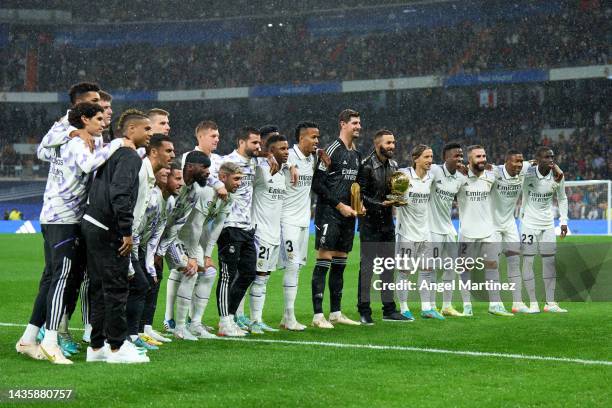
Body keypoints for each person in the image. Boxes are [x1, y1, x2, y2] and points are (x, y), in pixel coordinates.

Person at [16, 102, 125, 365]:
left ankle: (29, 339)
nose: (104, 122)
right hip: (61, 219)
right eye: (98, 118)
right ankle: (50, 342)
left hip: (59, 217)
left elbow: (45, 152)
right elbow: (88, 166)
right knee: (61, 278)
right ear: (84, 119)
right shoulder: (75, 142)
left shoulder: (82, 140)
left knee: (52, 278)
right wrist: (118, 144)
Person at [81, 109, 152, 364]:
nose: (150, 134)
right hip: (108, 228)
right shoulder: (129, 156)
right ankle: (116, 347)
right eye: (146, 129)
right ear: (130, 130)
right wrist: (126, 231)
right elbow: (120, 194)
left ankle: (97, 346)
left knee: (100, 287)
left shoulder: (114, 153)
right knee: (116, 287)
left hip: (92, 223)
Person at [177, 161, 242, 339]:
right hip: (180, 235)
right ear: (223, 177)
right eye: (236, 179)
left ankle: (196, 323)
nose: (239, 183)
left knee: (210, 272)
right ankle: (180, 327)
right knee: (192, 272)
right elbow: (197, 224)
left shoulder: (230, 197)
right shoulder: (208, 192)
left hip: (194, 238)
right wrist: (194, 255)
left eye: (240, 179)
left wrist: (206, 255)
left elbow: (216, 227)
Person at [311, 109, 362, 328]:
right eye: (354, 123)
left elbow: (355, 186)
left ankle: (335, 312)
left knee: (340, 264)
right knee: (324, 262)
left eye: (359, 123)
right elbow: (317, 184)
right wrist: (339, 205)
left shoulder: (357, 154)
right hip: (329, 213)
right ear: (343, 124)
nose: (358, 126)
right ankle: (317, 315)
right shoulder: (331, 149)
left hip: (348, 215)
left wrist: (359, 206)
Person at [126, 134, 175, 350]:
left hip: (137, 243)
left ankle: (136, 332)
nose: (172, 155)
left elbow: (156, 231)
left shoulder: (168, 199)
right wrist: (132, 257)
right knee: (135, 285)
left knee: (145, 282)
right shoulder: (141, 175)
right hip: (125, 240)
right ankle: (123, 335)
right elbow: (135, 219)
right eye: (168, 151)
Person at [156, 150, 211, 340]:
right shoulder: (170, 182)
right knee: (147, 279)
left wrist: (193, 256)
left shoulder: (195, 190)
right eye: (204, 168)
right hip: (152, 233)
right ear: (190, 167)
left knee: (190, 269)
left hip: (169, 236)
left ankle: (179, 326)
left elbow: (182, 222)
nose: (208, 172)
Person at [213, 127, 261, 337]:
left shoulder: (254, 163)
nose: (258, 147)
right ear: (242, 142)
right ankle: (224, 321)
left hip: (247, 227)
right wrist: (217, 185)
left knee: (249, 272)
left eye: (260, 143)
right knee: (227, 275)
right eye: (254, 143)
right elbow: (211, 177)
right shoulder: (226, 161)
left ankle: (230, 317)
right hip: (229, 225)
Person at [357, 129, 408, 324]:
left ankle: (389, 309)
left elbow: (392, 192)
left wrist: (397, 198)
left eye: (393, 143)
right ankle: (364, 310)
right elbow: (359, 196)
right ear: (377, 144)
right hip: (369, 224)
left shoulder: (394, 165)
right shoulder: (367, 166)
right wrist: (381, 205)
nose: (392, 146)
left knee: (388, 268)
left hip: (387, 223)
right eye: (388, 143)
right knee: (367, 269)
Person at [457, 145, 513, 317]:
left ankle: (495, 305)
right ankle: (467, 306)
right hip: (467, 232)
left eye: (484, 156)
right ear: (469, 159)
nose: (482, 159)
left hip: (488, 231)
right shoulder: (460, 176)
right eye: (478, 156)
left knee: (493, 267)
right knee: (465, 269)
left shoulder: (492, 174)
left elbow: (513, 166)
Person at [279, 121, 320, 330]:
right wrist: (289, 164)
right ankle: (289, 316)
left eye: (317, 137)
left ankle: (286, 317)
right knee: (291, 265)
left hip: (304, 222)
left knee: (297, 268)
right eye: (313, 137)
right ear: (301, 138)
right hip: (287, 221)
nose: (316, 141)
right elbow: (272, 154)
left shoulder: (312, 159)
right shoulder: (289, 155)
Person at [248, 135, 290, 334]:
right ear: (272, 151)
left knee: (264, 278)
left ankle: (257, 319)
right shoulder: (261, 171)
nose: (287, 152)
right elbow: (249, 156)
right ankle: (251, 320)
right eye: (282, 149)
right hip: (260, 232)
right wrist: (264, 155)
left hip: (275, 234)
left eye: (287, 148)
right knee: (257, 276)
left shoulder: (284, 174)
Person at [395, 145, 442, 320]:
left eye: (431, 157)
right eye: (426, 157)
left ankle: (426, 308)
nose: (430, 160)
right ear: (416, 159)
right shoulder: (404, 175)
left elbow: (449, 166)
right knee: (404, 272)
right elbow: (394, 198)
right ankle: (403, 308)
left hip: (425, 232)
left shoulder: (431, 176)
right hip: (406, 233)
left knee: (426, 270)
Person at [138, 163, 183, 344]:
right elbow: (139, 230)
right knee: (140, 284)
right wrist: (149, 260)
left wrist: (157, 254)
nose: (181, 183)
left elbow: (161, 230)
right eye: (176, 178)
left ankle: (145, 327)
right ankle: (134, 332)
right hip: (137, 245)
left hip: (151, 246)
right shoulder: (151, 199)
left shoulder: (170, 200)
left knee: (153, 280)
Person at [520, 147, 568, 313]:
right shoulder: (527, 174)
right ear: (538, 159)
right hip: (528, 224)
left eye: (552, 156)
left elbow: (562, 198)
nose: (551, 160)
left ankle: (550, 303)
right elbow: (512, 168)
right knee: (528, 261)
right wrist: (528, 163)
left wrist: (563, 221)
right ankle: (533, 303)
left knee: (549, 263)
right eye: (546, 157)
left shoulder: (557, 176)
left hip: (548, 224)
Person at [428, 143, 467, 317]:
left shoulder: (460, 178)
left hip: (449, 228)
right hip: (432, 229)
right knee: (432, 269)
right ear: (445, 158)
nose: (459, 159)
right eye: (455, 156)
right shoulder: (435, 170)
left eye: (461, 156)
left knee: (451, 267)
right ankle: (429, 306)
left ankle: (447, 306)